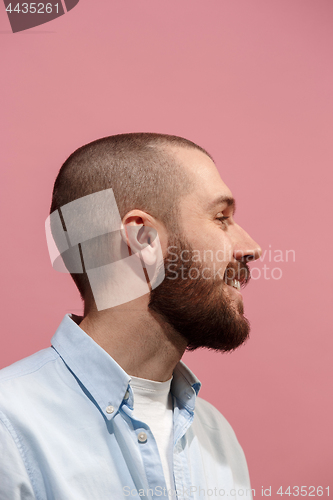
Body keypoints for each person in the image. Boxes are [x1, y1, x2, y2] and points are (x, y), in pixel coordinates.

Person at [0, 133, 261, 499]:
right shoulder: (8, 428)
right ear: (143, 239)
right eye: (221, 218)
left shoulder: (218, 438)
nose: (251, 248)